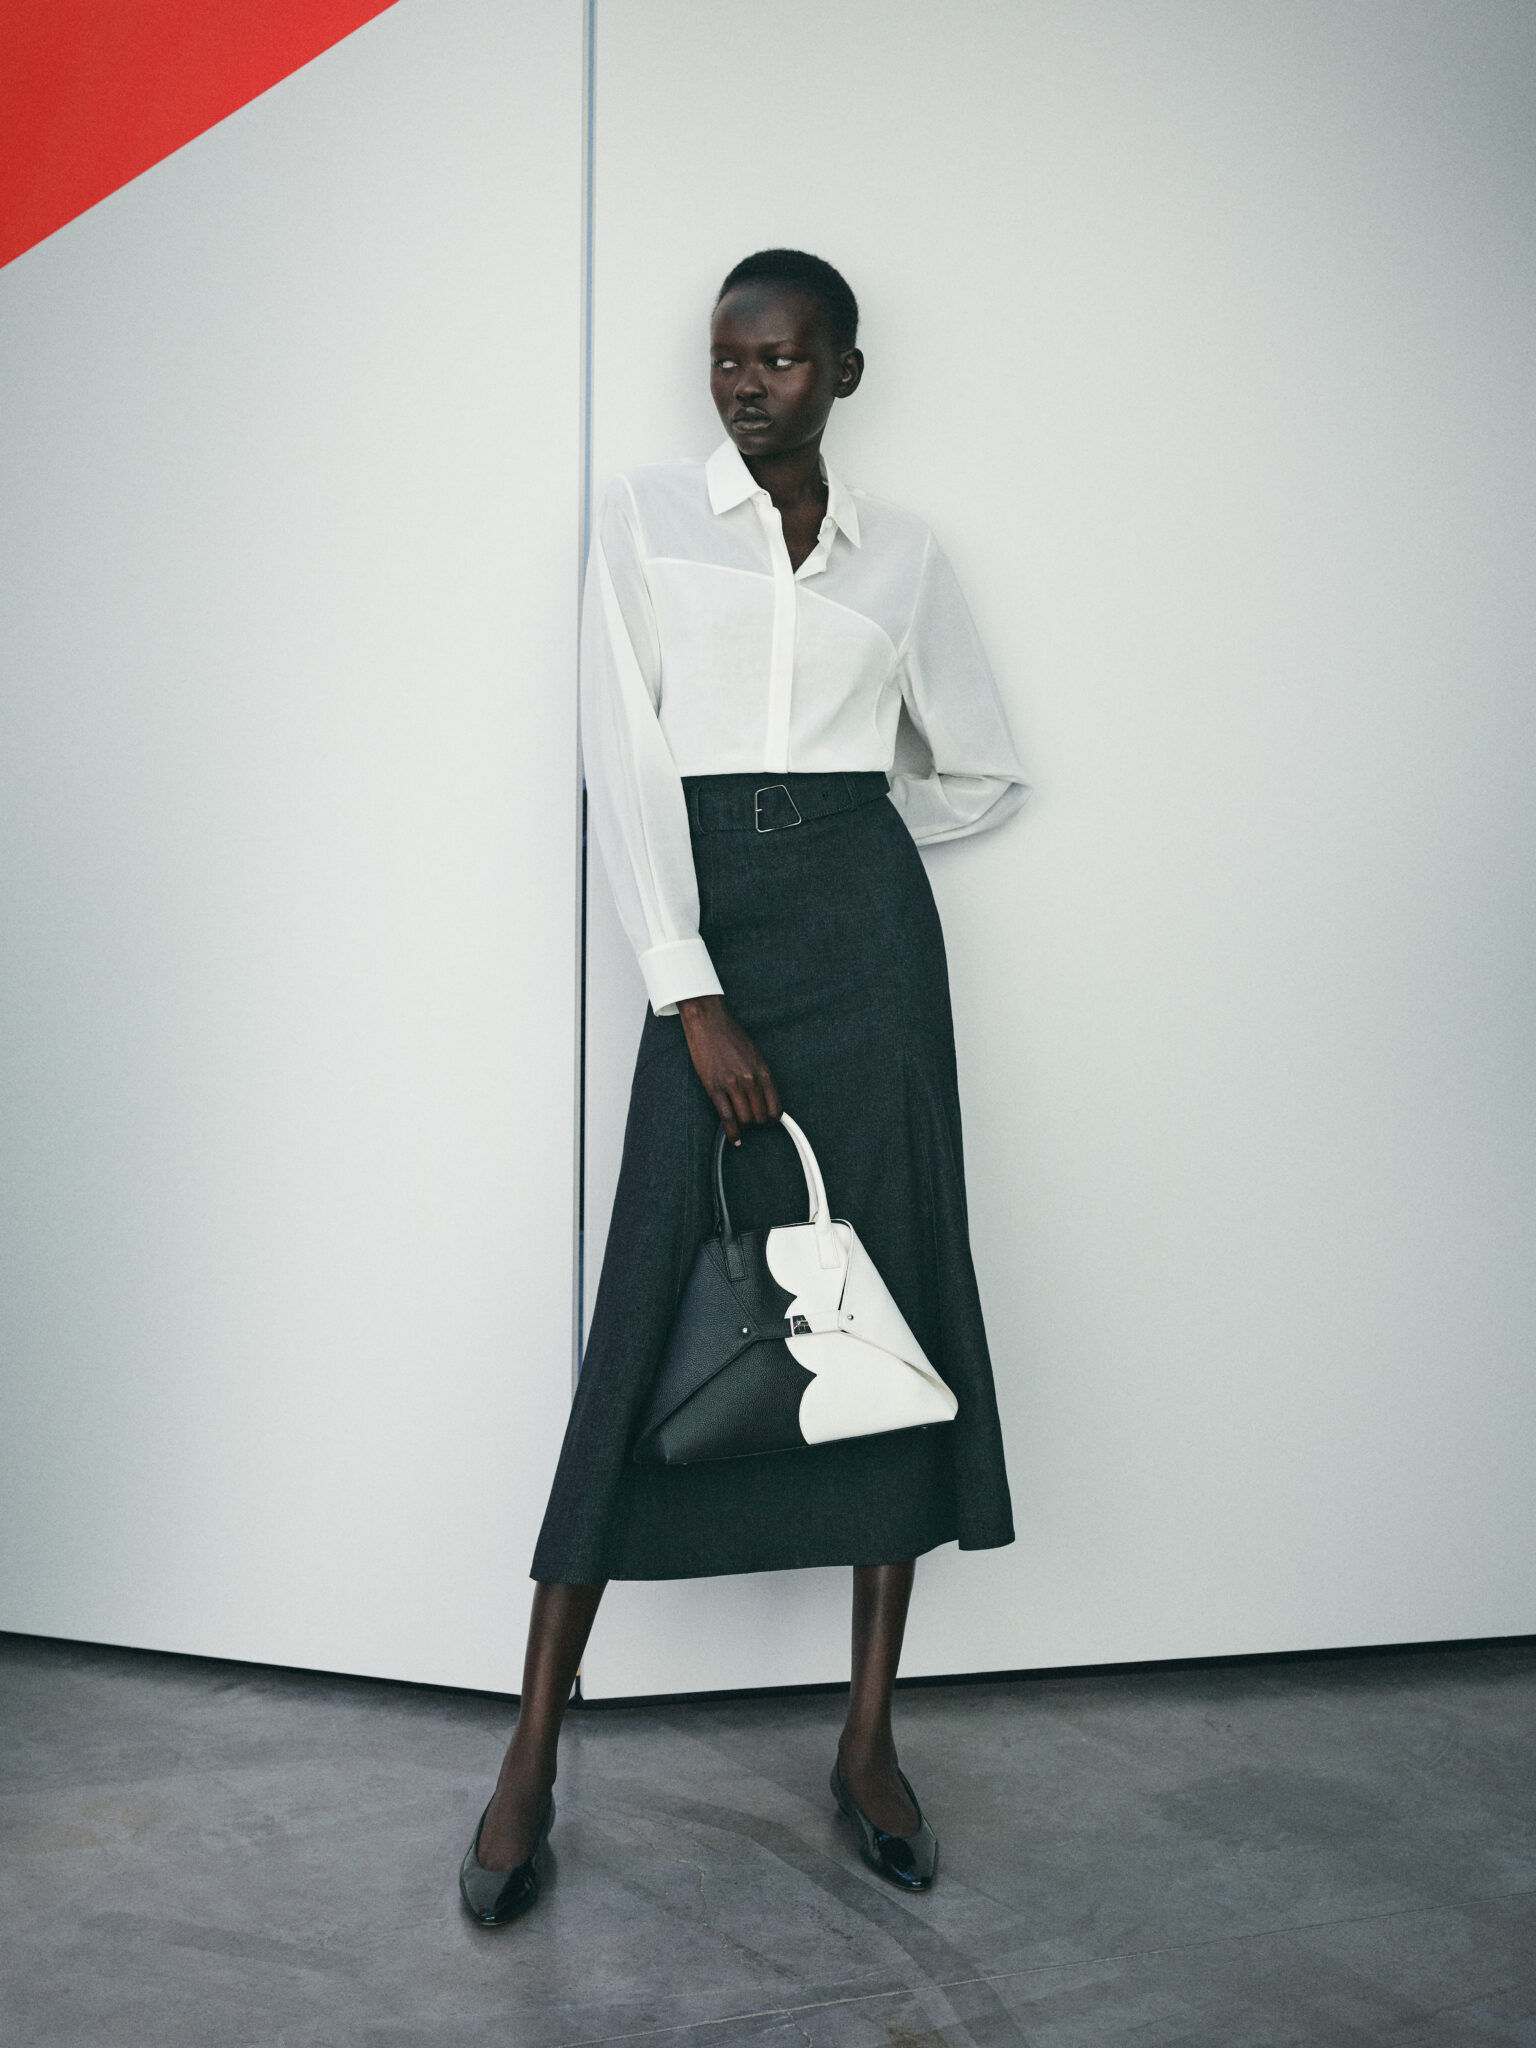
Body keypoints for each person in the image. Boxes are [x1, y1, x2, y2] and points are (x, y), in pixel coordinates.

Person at [459, 248, 1028, 1926]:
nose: (744, 385)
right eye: (726, 358)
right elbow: (620, 754)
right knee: (651, 1293)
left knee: (890, 1296)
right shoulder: (644, 518)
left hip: (867, 947)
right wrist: (687, 984)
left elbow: (979, 765)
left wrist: (851, 843)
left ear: (843, 372)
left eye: (778, 360)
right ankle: (530, 1753)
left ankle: (868, 1741)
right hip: (710, 934)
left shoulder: (905, 556)